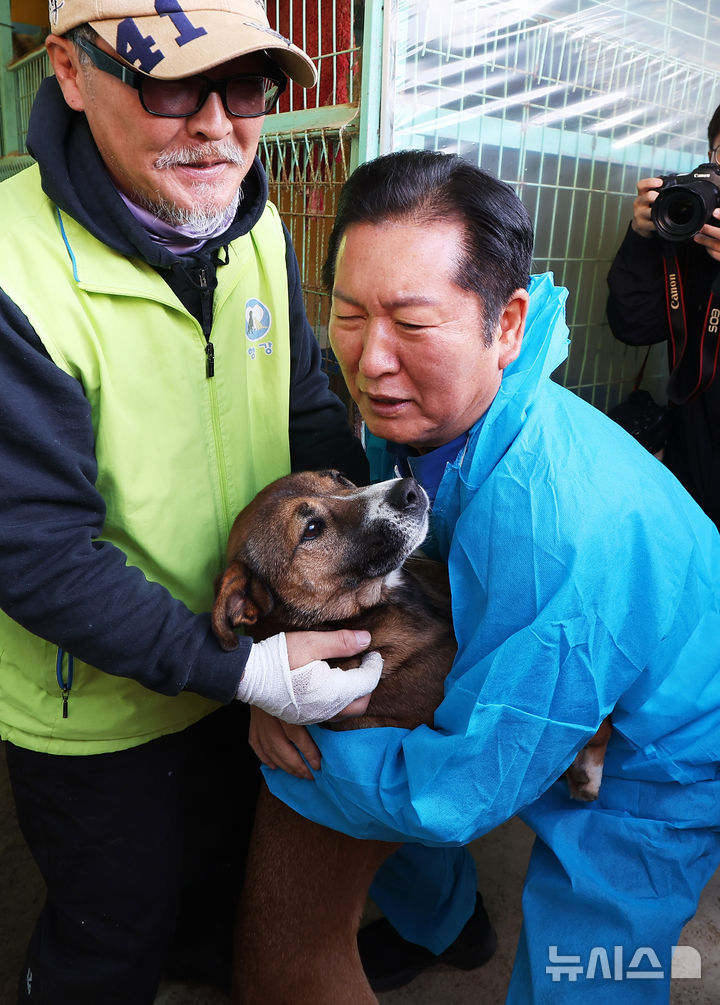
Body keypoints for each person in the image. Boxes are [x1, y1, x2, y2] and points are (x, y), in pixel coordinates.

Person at [251, 150, 720, 1004]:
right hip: (559, 656)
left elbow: (468, 783)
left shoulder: (556, 525)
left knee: (592, 955)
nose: (372, 360)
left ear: (506, 324)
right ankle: (446, 925)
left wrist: (303, 752)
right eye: (348, 315)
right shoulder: (431, 411)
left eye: (412, 322)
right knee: (402, 731)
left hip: (673, 736)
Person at [0, 2, 385, 1002]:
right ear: (70, 71)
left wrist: (354, 555)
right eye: (171, 83)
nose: (216, 126)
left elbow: (304, 407)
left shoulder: (251, 224)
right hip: (99, 706)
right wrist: (245, 666)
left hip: (239, 665)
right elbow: (34, 550)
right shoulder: (14, 271)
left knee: (221, 896)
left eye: (247, 84)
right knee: (111, 933)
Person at [607, 103, 720, 530]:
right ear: (709, 157)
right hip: (691, 445)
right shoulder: (692, 225)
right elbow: (633, 326)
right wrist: (642, 238)